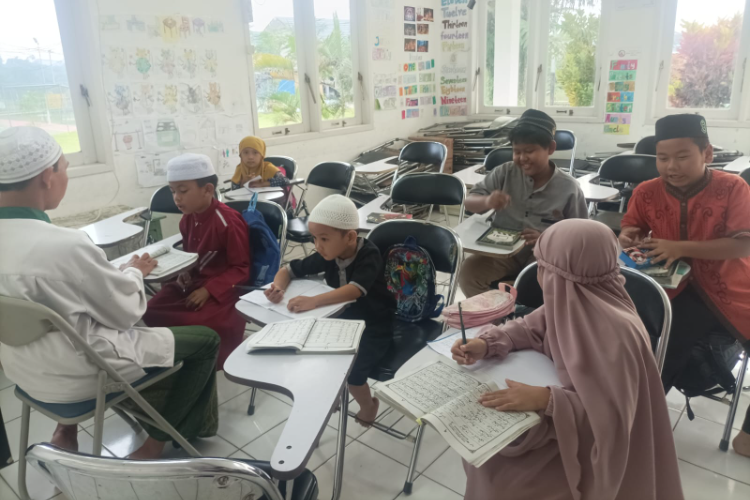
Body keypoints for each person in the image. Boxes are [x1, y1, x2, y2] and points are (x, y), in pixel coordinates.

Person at [0, 126, 220, 460]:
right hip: (85, 376)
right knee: (206, 341)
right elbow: (125, 312)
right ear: (47, 176)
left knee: (68, 324)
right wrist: (133, 272)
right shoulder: (65, 246)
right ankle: (155, 444)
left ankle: (65, 429)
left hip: (24, 374)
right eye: (65, 168)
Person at [451, 219, 683, 500]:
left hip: (587, 446)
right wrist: (487, 344)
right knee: (486, 453)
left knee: (504, 480)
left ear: (558, 276)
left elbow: (613, 420)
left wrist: (548, 399)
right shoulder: (574, 296)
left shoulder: (617, 334)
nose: (539, 272)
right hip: (562, 421)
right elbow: (532, 326)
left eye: (543, 266)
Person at [620, 113, 750, 457]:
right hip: (669, 286)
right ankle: (635, 424)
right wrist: (628, 235)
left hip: (729, 283)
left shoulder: (733, 187)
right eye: (662, 158)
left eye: (682, 157)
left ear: (706, 153)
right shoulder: (647, 191)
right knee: (662, 345)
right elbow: (631, 227)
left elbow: (744, 244)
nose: (671, 167)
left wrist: (679, 247)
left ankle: (748, 434)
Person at [265, 195, 395, 425]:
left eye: (324, 238)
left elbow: (355, 290)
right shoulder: (328, 254)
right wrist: (278, 287)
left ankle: (368, 405)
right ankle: (333, 394)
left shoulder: (369, 254)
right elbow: (288, 270)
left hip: (374, 326)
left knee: (354, 374)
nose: (318, 246)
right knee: (319, 361)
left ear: (350, 237)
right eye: (314, 238)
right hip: (342, 321)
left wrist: (314, 301)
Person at [459, 109, 588, 297]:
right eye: (516, 151)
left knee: (536, 284)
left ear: (550, 148)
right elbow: (469, 202)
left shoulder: (569, 188)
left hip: (545, 256)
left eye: (529, 151)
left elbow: (582, 236)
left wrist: (547, 239)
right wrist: (487, 201)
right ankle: (498, 310)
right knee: (469, 273)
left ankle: (515, 299)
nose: (522, 158)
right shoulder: (504, 172)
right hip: (501, 252)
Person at [144, 153, 250, 370]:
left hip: (223, 290)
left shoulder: (228, 221)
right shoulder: (187, 220)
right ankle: (171, 357)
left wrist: (208, 290)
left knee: (201, 324)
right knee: (149, 310)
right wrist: (184, 272)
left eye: (183, 191)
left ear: (208, 190)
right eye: (173, 191)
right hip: (194, 283)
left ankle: (198, 362)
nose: (176, 198)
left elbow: (242, 268)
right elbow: (192, 257)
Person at [230, 135, 295, 210]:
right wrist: (243, 182)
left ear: (262, 155)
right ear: (240, 155)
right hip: (247, 206)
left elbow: (285, 180)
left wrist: (263, 184)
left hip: (272, 207)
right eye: (246, 152)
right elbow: (234, 190)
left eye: (255, 152)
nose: (250, 157)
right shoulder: (240, 169)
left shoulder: (268, 167)